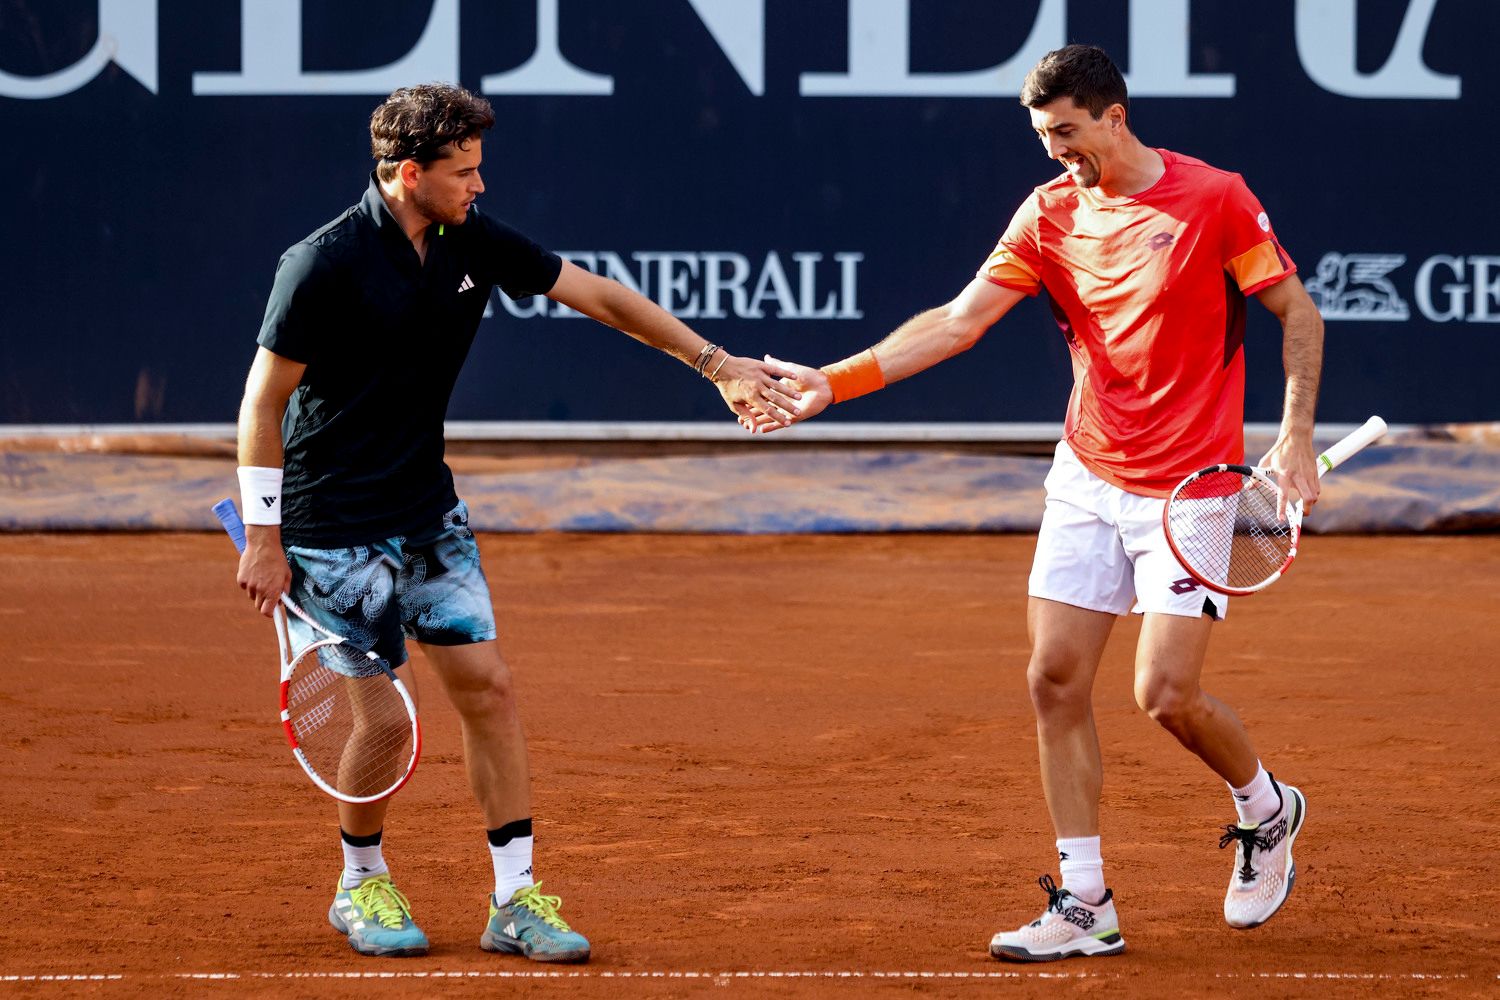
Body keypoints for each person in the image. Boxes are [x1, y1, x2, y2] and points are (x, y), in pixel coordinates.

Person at [746, 45, 1323, 961]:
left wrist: (1292, 434)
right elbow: (959, 320)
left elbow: (1298, 312)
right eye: (1043, 136)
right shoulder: (1050, 211)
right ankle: (1085, 902)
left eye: (1067, 133)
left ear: (1114, 117)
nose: (1057, 152)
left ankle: (1266, 807)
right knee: (1053, 680)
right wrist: (836, 382)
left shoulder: (1214, 198)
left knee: (1165, 695)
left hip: (1192, 488)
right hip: (1087, 477)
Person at [233, 82, 802, 962]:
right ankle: (361, 884)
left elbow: (601, 296)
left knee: (489, 691)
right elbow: (262, 400)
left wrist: (717, 365)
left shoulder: (469, 240)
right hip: (332, 527)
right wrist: (267, 540)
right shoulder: (321, 263)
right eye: (464, 171)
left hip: (427, 512)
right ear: (407, 174)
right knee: (383, 722)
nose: (480, 185)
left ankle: (515, 899)